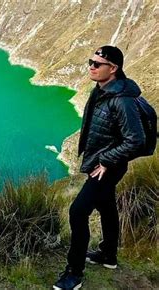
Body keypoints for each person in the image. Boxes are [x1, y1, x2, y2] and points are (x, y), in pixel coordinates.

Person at [53, 45, 146, 290]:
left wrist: (106, 160)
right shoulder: (102, 89)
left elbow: (136, 139)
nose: (91, 67)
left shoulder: (121, 100)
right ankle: (108, 255)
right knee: (106, 206)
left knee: (77, 212)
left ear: (113, 69)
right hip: (101, 163)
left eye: (97, 64)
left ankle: (74, 274)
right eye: (90, 62)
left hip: (107, 167)